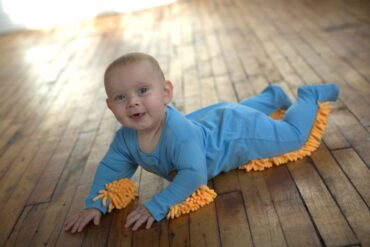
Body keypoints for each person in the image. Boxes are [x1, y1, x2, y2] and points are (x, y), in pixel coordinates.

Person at [64, 52, 339, 233]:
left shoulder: (177, 134)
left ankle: (309, 96)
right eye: (121, 97)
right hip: (214, 118)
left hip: (235, 133)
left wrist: (156, 204)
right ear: (110, 106)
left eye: (143, 90)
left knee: (293, 136)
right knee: (232, 108)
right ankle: (272, 96)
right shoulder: (125, 138)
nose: (133, 101)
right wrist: (93, 204)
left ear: (166, 93)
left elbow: (195, 175)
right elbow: (111, 169)